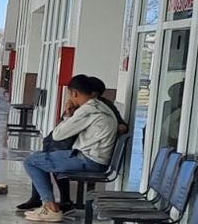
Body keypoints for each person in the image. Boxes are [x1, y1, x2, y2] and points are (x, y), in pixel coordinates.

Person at [16, 75, 129, 211]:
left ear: (74, 93)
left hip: (89, 160)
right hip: (96, 158)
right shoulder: (103, 107)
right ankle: (43, 200)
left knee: (31, 161)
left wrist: (67, 115)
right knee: (41, 157)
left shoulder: (87, 111)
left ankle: (49, 206)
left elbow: (58, 135)